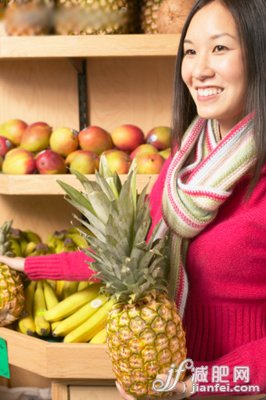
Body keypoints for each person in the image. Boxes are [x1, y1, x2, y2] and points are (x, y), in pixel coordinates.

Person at [1, 0, 266, 397]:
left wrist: (198, 383)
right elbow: (136, 251)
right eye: (190, 51)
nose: (199, 69)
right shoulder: (184, 161)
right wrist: (30, 265)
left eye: (220, 48)